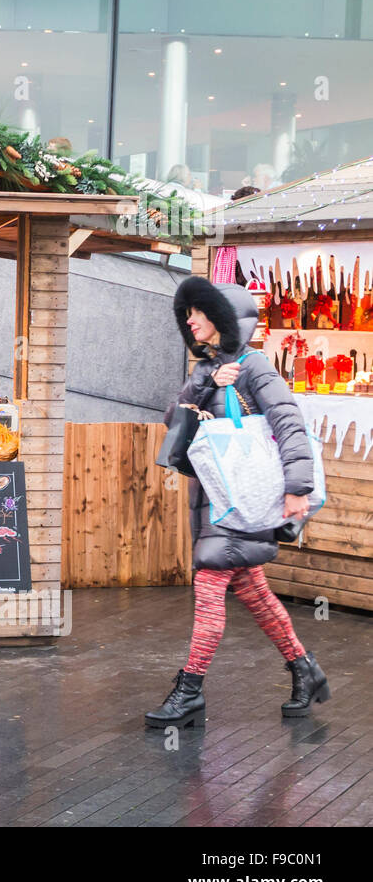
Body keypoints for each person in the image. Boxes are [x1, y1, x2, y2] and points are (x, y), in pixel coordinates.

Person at [145, 277, 330, 729]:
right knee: (253, 591)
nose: (189, 320)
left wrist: (297, 490)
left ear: (223, 318)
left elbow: (289, 424)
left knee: (209, 591)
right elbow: (173, 419)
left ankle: (189, 691)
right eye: (185, 313)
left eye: (198, 312)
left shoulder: (256, 367)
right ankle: (305, 670)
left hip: (240, 503)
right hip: (219, 500)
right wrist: (207, 384)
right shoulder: (209, 368)